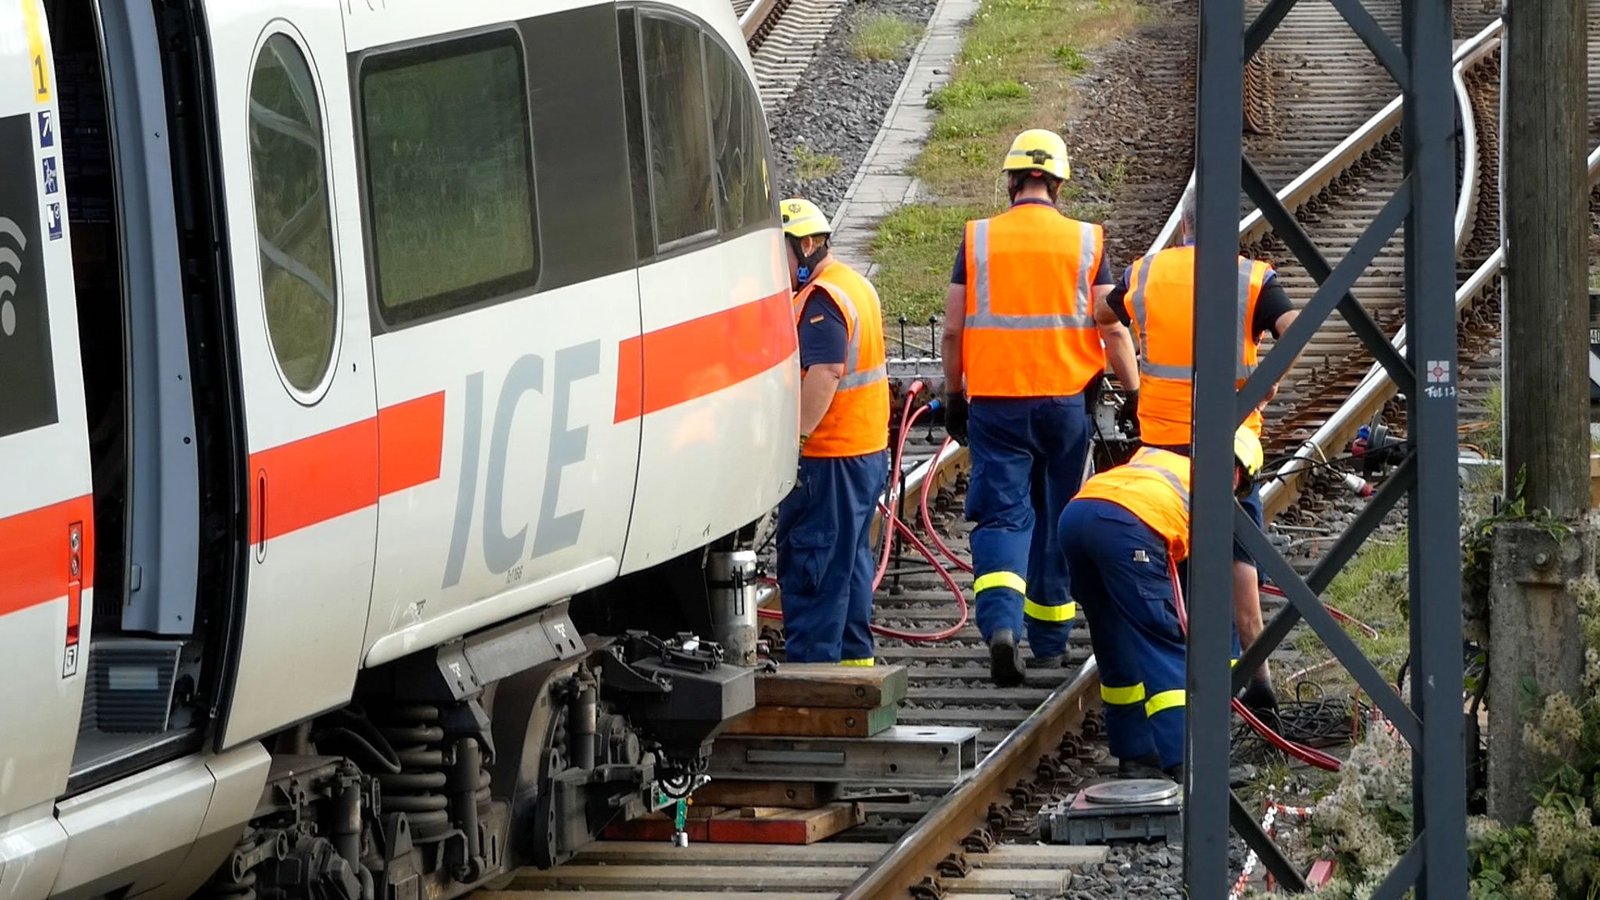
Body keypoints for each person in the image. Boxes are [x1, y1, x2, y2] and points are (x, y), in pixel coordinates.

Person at [940, 129, 1142, 687]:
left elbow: (953, 329)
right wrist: (1134, 390)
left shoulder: (979, 239)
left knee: (1003, 515)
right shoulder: (1086, 240)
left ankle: (1002, 628)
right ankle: (1050, 645)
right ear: (1057, 183)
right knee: (1056, 514)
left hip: (997, 405)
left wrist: (954, 395)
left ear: (1012, 181)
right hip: (1065, 405)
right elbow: (1111, 327)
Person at [1094, 185, 1299, 715]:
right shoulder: (1251, 278)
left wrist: (1134, 378)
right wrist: (1266, 384)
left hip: (1162, 442)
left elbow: (1103, 314)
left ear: (1184, 226)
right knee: (1236, 547)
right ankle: (1255, 670)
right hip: (1228, 441)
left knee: (1174, 547)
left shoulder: (1145, 274)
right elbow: (1294, 330)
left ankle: (1183, 663)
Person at [1059, 425, 1266, 779]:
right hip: (1128, 529)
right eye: (1244, 487)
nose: (1239, 494)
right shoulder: (1213, 492)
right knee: (1164, 640)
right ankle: (1193, 764)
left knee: (1114, 641)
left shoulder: (1159, 459)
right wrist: (1258, 681)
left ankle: (1135, 755)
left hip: (1077, 518)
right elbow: (1231, 603)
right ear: (1237, 473)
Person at [773, 198, 891, 666]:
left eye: (778, 252)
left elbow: (826, 371)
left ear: (805, 246)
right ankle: (854, 668)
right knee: (850, 563)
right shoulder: (854, 285)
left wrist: (797, 439)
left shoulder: (823, 298)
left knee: (815, 567)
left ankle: (814, 675)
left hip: (830, 455)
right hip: (864, 451)